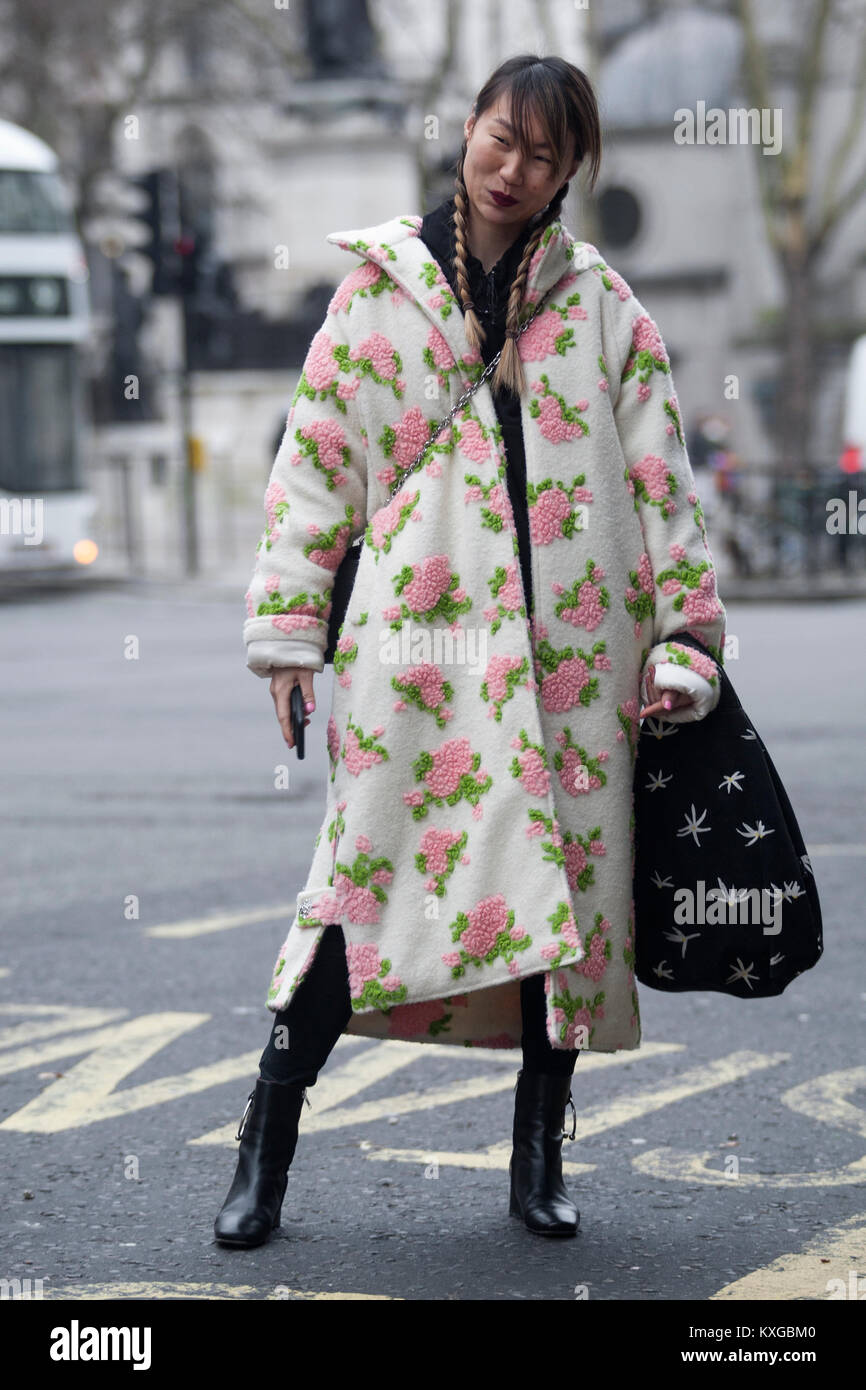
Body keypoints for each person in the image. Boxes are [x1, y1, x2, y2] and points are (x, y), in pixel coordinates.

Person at [215, 54, 727, 1249]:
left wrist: (683, 643)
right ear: (469, 132)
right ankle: (266, 1134)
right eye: (502, 138)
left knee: (563, 918)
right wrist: (290, 636)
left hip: (573, 664)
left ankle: (537, 1154)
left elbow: (662, 485)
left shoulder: (604, 308)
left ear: (570, 172)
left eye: (544, 155)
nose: (514, 169)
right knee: (356, 897)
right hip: (418, 660)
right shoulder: (377, 292)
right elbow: (315, 466)